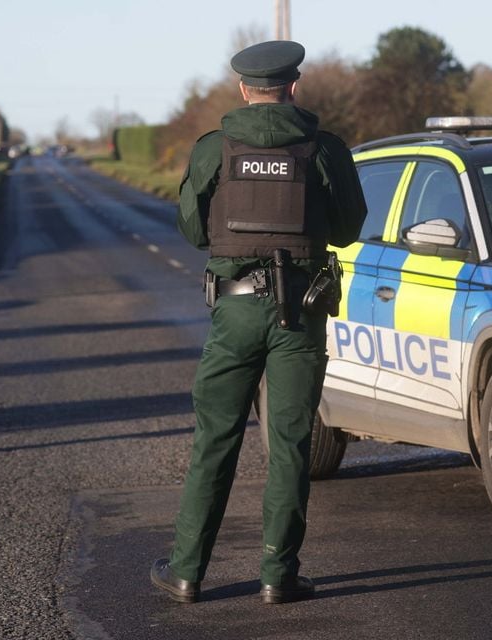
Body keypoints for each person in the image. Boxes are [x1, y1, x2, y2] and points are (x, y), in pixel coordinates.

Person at [151, 40, 367, 605]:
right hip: (300, 312)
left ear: (244, 89)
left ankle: (186, 571)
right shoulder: (324, 149)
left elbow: (196, 232)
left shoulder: (213, 149)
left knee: (214, 440)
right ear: (293, 86)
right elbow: (348, 229)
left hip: (236, 309)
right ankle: (278, 576)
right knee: (290, 444)